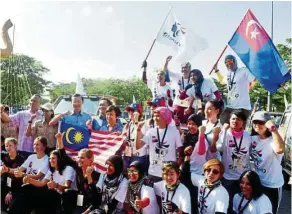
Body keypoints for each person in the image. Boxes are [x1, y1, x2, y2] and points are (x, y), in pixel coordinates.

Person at [210, 110, 252, 213]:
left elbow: (250, 153)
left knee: (241, 205)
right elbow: (219, 147)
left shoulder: (248, 136)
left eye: (238, 119)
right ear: (229, 120)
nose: (235, 121)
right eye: (233, 118)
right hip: (227, 177)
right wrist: (224, 130)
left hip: (243, 178)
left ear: (243, 122)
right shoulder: (225, 133)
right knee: (227, 204)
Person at [55, 132, 101, 214]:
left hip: (92, 205)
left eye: (82, 158)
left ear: (90, 159)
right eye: (78, 157)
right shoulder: (78, 168)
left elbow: (95, 199)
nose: (79, 160)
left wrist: (89, 176)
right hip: (80, 199)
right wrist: (59, 140)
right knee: (67, 194)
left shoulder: (97, 175)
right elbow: (64, 157)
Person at [22, 150, 78, 214]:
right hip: (55, 195)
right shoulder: (51, 170)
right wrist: (29, 180)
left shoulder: (68, 169)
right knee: (26, 188)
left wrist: (56, 185)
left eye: (53, 158)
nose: (51, 160)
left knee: (49, 194)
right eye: (50, 158)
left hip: (68, 196)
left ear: (59, 159)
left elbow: (67, 187)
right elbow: (41, 183)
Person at [250, 111, 285, 214]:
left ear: (267, 123)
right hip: (258, 183)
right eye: (255, 122)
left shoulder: (273, 139)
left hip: (272, 185)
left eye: (261, 122)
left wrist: (273, 129)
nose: (257, 125)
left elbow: (280, 150)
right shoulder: (253, 139)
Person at [136, 107, 183, 182]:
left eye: (157, 116)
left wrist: (175, 168)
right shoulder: (150, 132)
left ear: (165, 116)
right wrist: (138, 131)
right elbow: (138, 146)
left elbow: (181, 153)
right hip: (153, 173)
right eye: (154, 116)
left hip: (168, 175)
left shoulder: (174, 132)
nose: (155, 118)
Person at [8, 136, 49, 214]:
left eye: (37, 144)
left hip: (36, 189)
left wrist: (22, 175)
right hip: (26, 186)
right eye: (34, 144)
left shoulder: (47, 160)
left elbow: (38, 176)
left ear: (44, 147)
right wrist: (7, 169)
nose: (35, 146)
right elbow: (20, 169)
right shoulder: (31, 157)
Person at [218, 55, 257, 125]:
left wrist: (250, 87)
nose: (228, 63)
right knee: (222, 122)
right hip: (230, 106)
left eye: (230, 60)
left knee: (238, 128)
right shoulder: (228, 74)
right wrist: (216, 71)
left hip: (243, 107)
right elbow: (222, 81)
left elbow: (254, 80)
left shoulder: (243, 70)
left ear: (235, 61)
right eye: (226, 62)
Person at [1, 138, 25, 212]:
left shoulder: (21, 159)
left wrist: (10, 191)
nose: (8, 148)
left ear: (15, 146)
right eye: (6, 146)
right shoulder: (3, 156)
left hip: (16, 186)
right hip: (4, 183)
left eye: (10, 145)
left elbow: (18, 177)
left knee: (9, 209)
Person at [123, 103, 148, 173]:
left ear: (138, 113)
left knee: (139, 177)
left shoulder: (143, 124)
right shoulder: (129, 124)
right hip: (129, 155)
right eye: (129, 110)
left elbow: (140, 141)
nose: (130, 112)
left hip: (139, 157)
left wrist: (137, 121)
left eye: (132, 110)